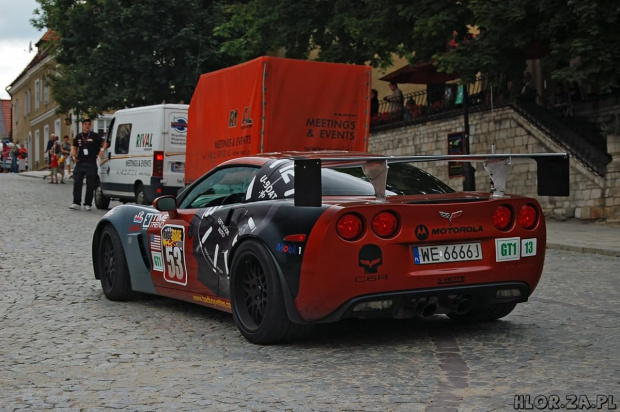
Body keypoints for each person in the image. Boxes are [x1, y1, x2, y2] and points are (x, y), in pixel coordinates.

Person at [69, 119, 106, 211]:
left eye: (89, 124)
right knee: (77, 183)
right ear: (82, 125)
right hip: (80, 162)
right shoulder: (78, 136)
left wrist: (102, 150)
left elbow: (104, 143)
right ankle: (76, 202)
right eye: (85, 124)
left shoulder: (95, 136)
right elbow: (74, 147)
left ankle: (88, 203)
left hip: (91, 162)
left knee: (90, 185)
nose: (87, 126)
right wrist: (73, 156)